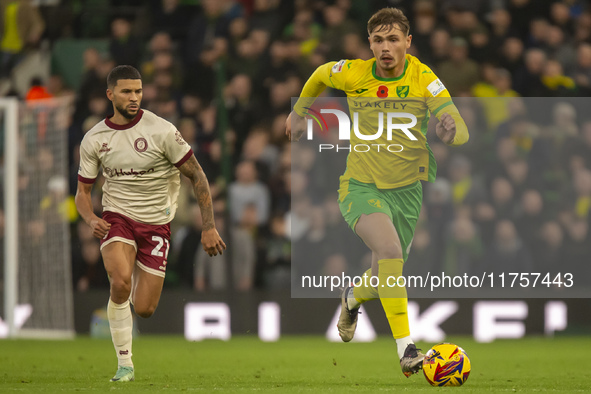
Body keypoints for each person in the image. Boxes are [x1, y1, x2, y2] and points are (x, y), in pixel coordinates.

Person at [286, 8, 469, 377]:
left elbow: (457, 125)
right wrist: (299, 113)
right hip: (360, 185)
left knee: (388, 271)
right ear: (369, 43)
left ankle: (352, 297)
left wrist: (451, 130)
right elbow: (321, 74)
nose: (385, 47)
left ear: (408, 42)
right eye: (378, 40)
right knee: (388, 251)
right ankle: (407, 350)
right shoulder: (354, 72)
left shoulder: (423, 77)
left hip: (407, 192)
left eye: (393, 39)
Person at [75, 65, 226, 382]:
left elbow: (197, 174)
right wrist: (91, 217)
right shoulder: (94, 139)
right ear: (110, 94)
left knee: (144, 308)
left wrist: (208, 226)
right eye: (127, 91)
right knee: (119, 281)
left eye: (138, 91)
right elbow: (83, 192)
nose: (134, 97)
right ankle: (125, 364)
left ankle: (122, 310)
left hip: (157, 224)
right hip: (117, 216)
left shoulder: (162, 131)